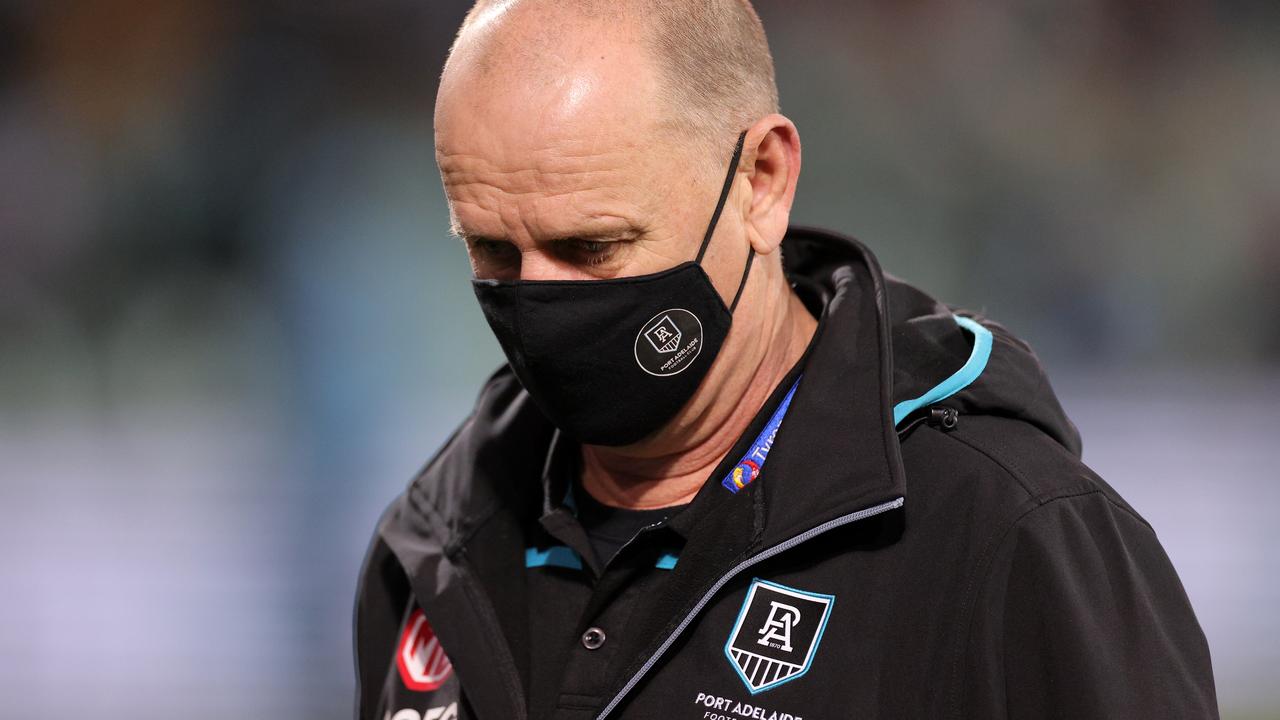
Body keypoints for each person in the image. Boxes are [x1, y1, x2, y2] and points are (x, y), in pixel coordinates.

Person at [354, 1, 1219, 718]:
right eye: (494, 250)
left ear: (761, 180)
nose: (538, 296)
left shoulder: (1006, 536)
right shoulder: (435, 539)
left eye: (593, 246)